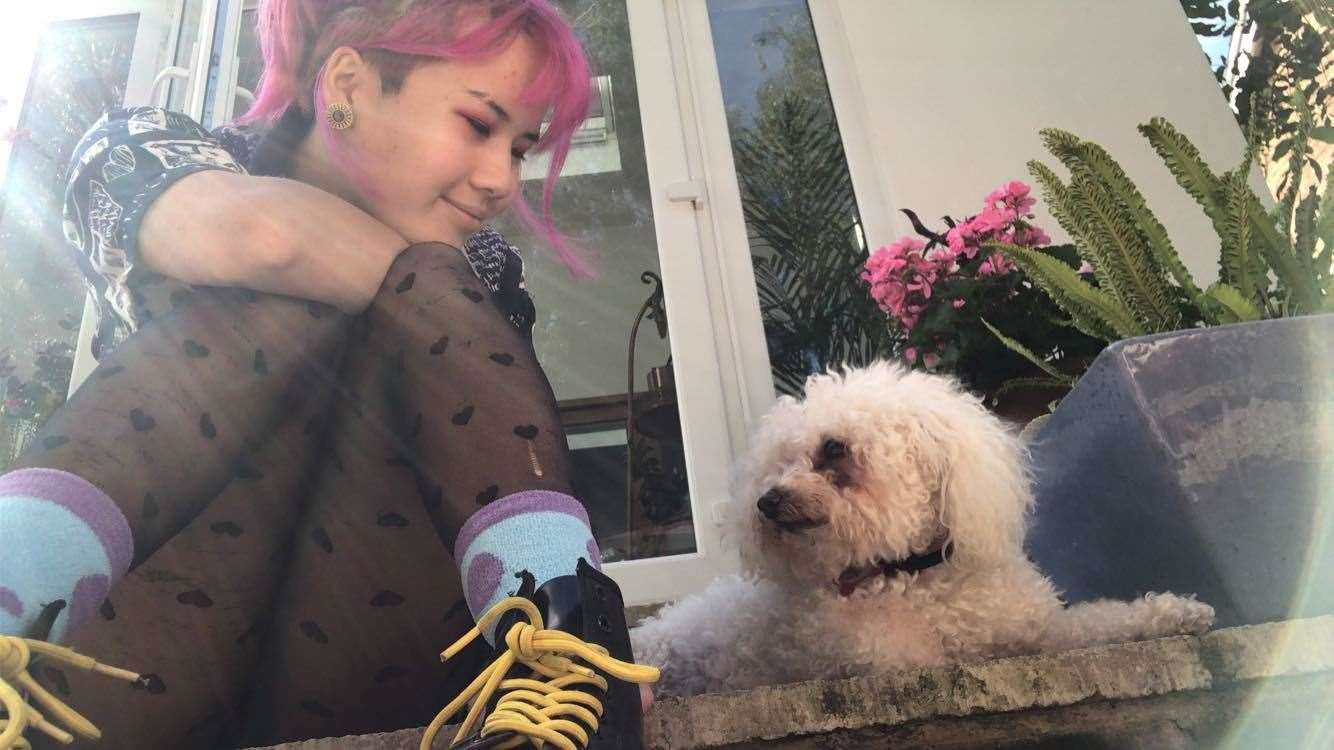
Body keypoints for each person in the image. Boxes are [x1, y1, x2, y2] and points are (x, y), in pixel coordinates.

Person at [0, 1, 656, 747]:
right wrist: (425, 289)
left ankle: (563, 654)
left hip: (370, 656)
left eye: (520, 149)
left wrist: (434, 286)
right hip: (138, 661)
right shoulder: (153, 146)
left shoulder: (486, 268)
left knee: (427, 305)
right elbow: (266, 237)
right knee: (296, 301)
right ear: (346, 85)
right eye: (479, 125)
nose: (500, 179)